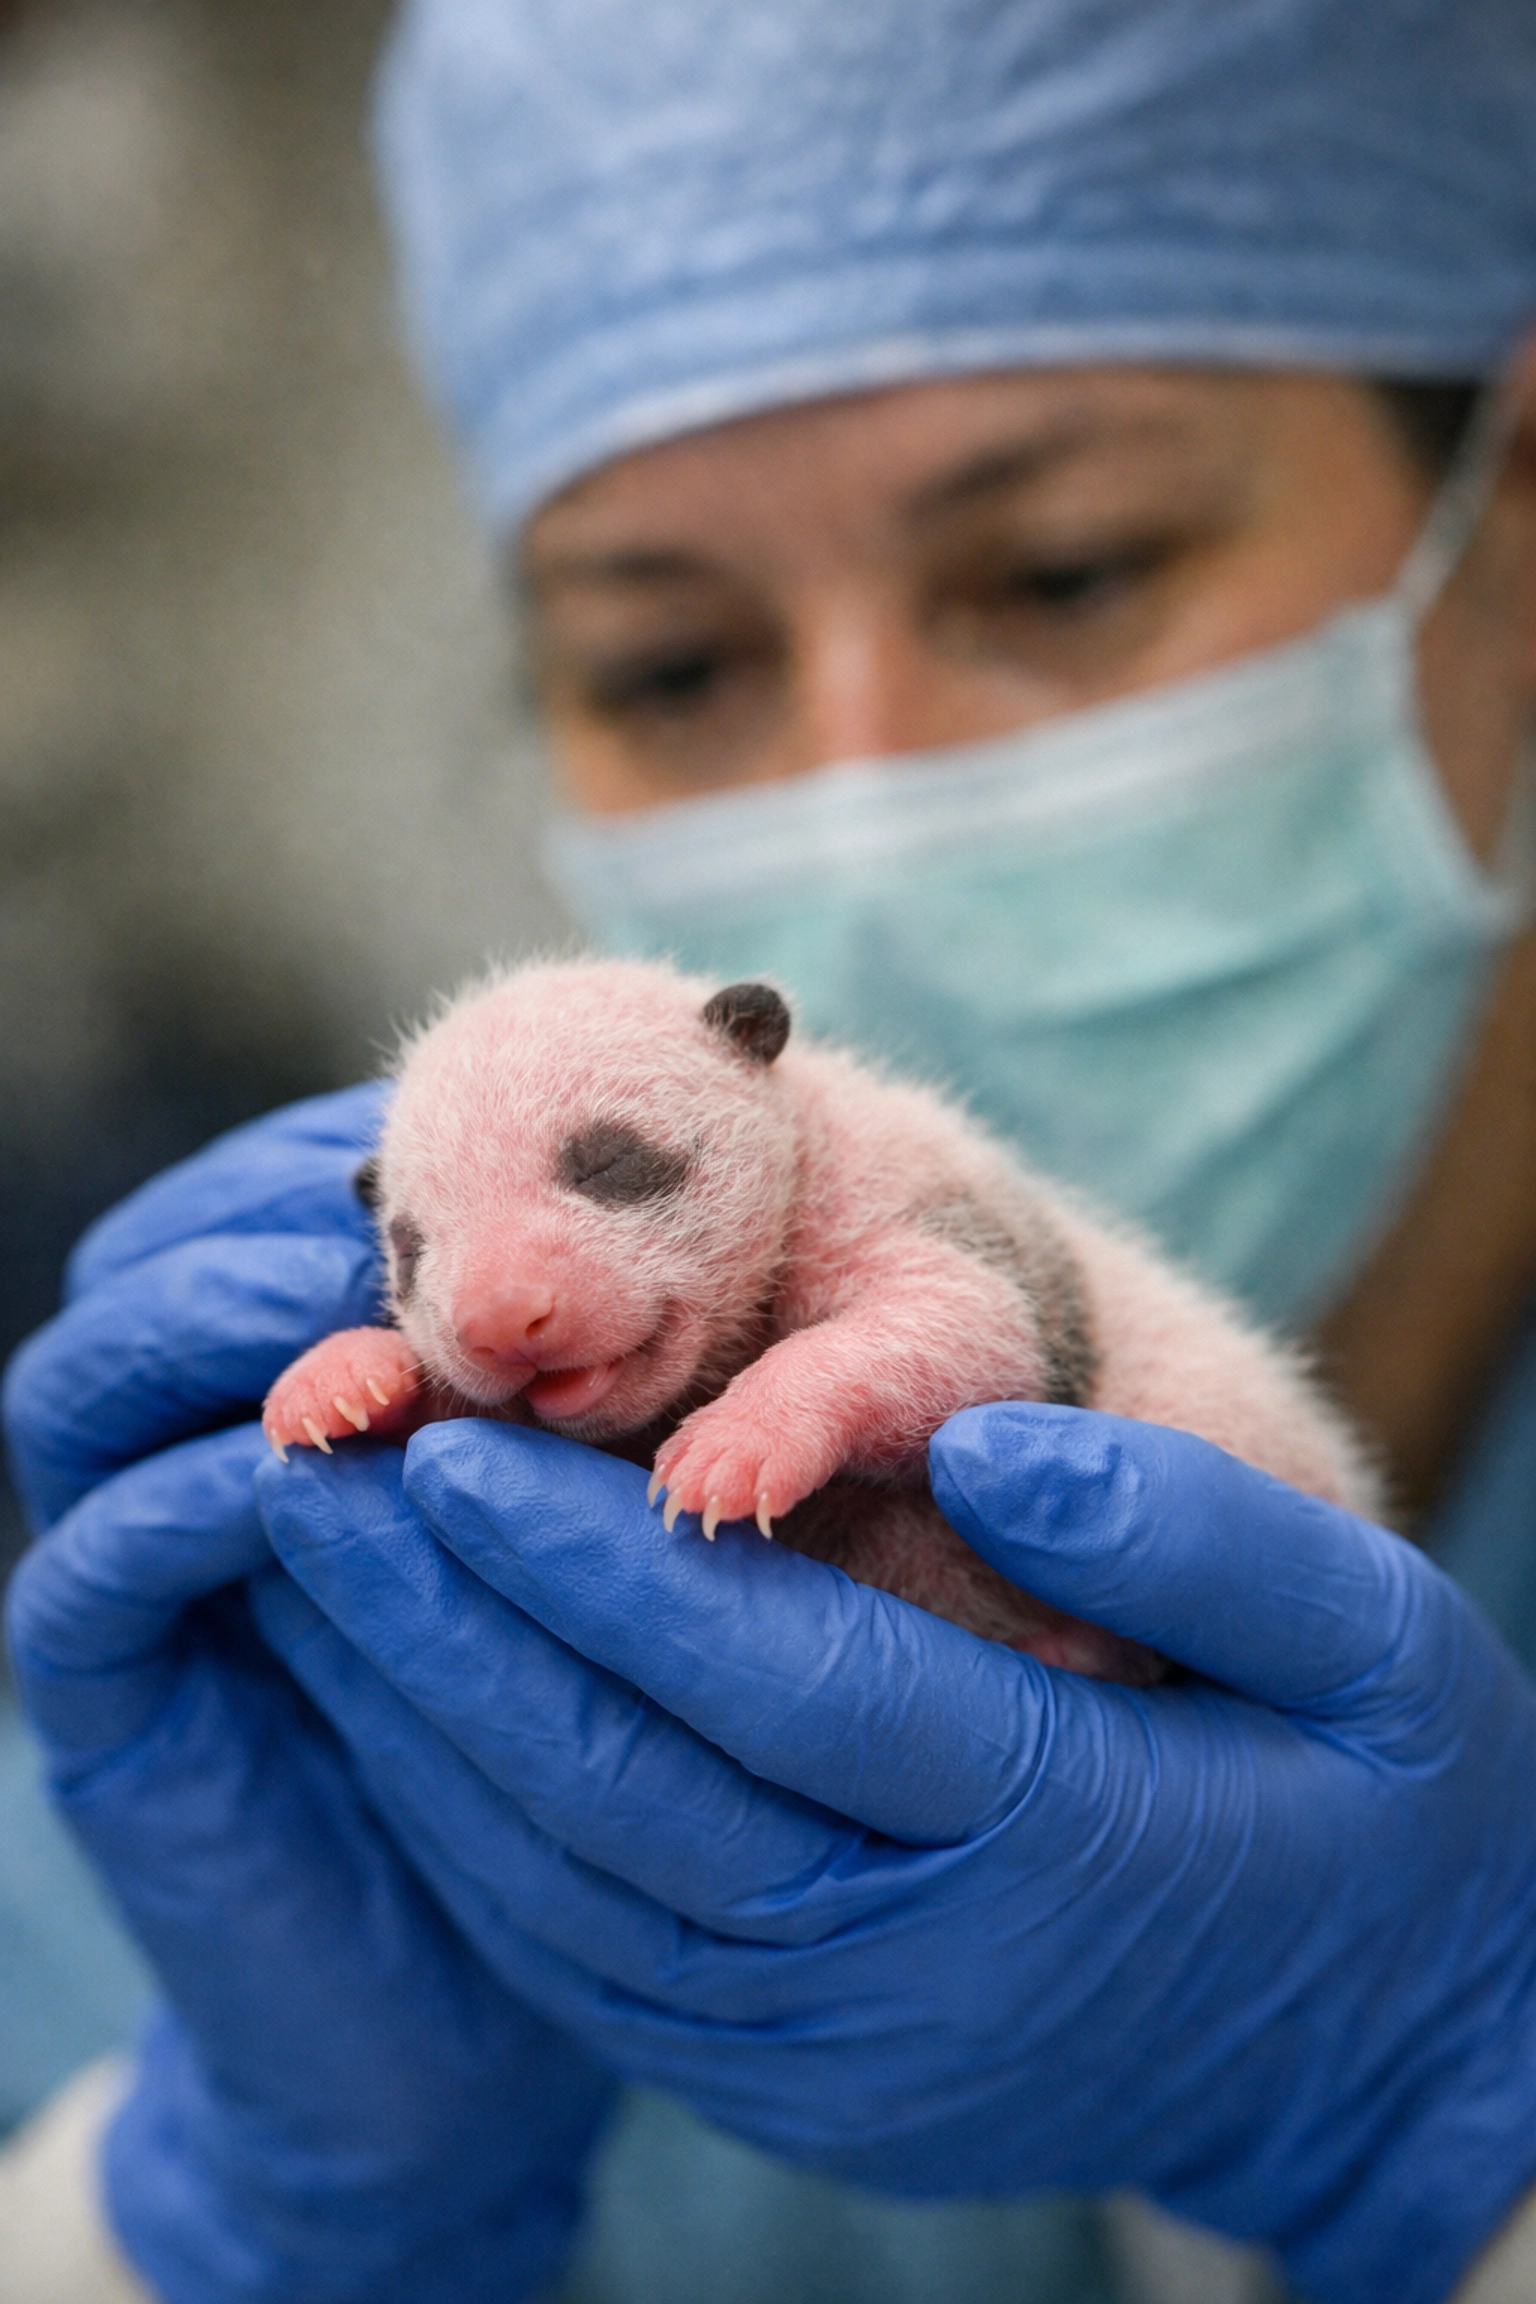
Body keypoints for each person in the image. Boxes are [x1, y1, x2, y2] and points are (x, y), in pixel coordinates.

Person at [4, 1, 1536, 2300]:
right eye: (674, 665)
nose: (866, 798)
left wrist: (1458, 2113)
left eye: (1063, 571)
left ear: (1512, 523)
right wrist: (218, 2214)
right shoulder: (328, 1650)